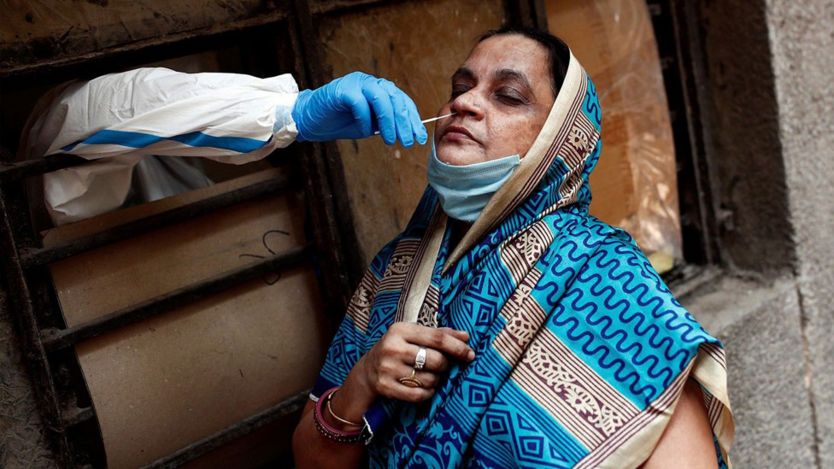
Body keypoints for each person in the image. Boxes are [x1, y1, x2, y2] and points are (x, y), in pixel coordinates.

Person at [291, 27, 734, 468]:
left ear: (559, 138)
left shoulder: (605, 276)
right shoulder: (396, 270)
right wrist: (361, 385)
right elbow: (311, 459)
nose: (463, 103)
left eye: (507, 95)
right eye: (461, 88)